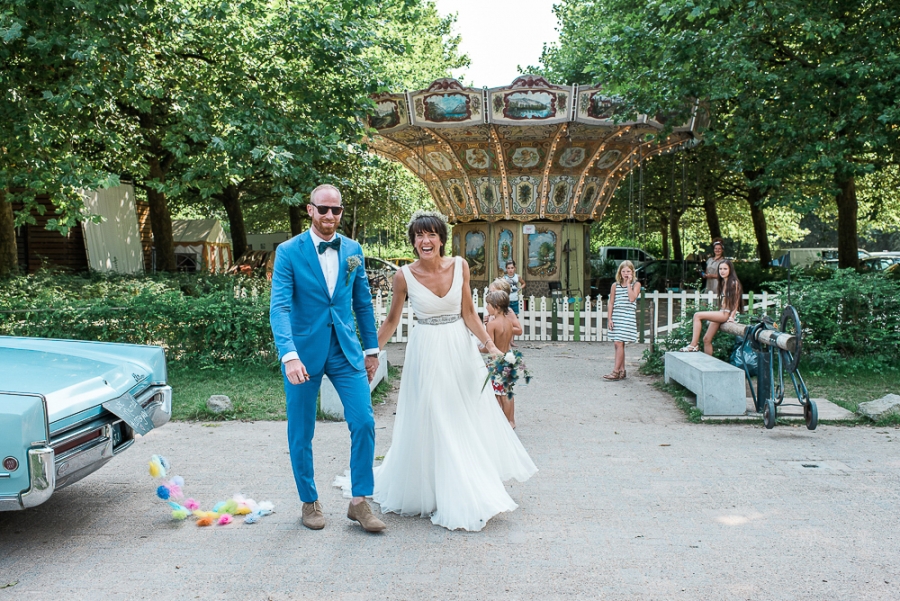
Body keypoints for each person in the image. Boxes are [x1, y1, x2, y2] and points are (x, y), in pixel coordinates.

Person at [363, 210, 537, 531]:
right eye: (419, 236)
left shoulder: (460, 266)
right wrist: (370, 355)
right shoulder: (403, 276)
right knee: (436, 415)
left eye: (431, 235)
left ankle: (464, 483)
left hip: (459, 347)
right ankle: (442, 490)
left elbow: (470, 312)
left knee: (461, 414)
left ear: (442, 239)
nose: (425, 241)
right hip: (426, 349)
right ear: (413, 242)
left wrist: (490, 344)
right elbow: (390, 322)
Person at [269, 184, 386, 533]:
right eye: (324, 210)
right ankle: (309, 500)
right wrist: (289, 355)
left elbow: (362, 302)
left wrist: (371, 350)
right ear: (310, 210)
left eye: (336, 210)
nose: (330, 217)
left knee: (363, 421)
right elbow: (280, 307)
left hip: (345, 350)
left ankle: (359, 502)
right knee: (301, 431)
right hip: (303, 354)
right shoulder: (289, 251)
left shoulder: (353, 250)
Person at [680, 259, 744, 354]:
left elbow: (736, 302)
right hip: (721, 312)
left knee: (697, 315)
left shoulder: (734, 283)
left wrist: (732, 317)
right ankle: (708, 364)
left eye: (725, 269)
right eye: (720, 269)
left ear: (730, 270)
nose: (722, 271)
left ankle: (693, 345)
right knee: (706, 339)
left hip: (726, 313)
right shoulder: (723, 282)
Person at [484, 290, 517, 428]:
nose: (486, 307)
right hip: (508, 358)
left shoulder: (491, 325)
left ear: (496, 306)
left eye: (488, 305)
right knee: (507, 392)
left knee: (496, 394)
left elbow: (489, 347)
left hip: (496, 362)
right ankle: (510, 421)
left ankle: (499, 422)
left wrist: (477, 348)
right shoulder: (509, 323)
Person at [605, 260, 640, 380]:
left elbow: (632, 298)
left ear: (632, 272)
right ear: (620, 272)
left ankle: (615, 372)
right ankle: (622, 370)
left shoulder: (636, 284)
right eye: (623, 271)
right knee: (619, 344)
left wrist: (629, 283)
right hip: (617, 315)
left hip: (627, 316)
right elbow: (611, 303)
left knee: (618, 342)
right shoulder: (615, 285)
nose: (626, 273)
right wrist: (609, 318)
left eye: (628, 271)